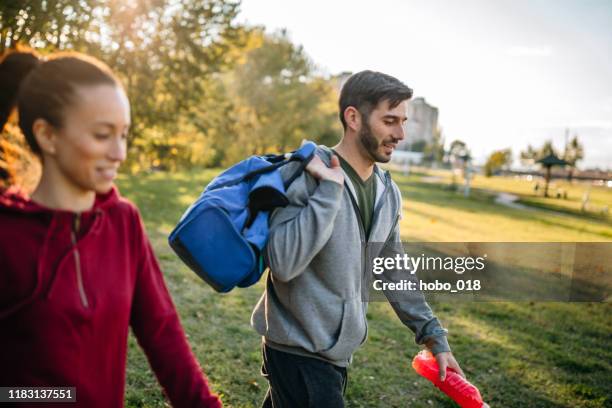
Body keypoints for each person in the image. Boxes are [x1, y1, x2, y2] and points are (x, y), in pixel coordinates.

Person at [0, 49, 222, 408]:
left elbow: (163, 333)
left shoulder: (124, 222)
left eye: (123, 135)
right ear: (47, 135)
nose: (119, 153)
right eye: (103, 135)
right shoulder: (8, 235)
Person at [251, 70, 464, 407]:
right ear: (353, 117)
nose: (401, 134)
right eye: (390, 120)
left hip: (336, 354)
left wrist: (433, 336)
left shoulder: (387, 192)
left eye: (403, 121)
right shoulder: (306, 173)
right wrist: (329, 192)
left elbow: (394, 271)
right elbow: (284, 262)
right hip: (297, 351)